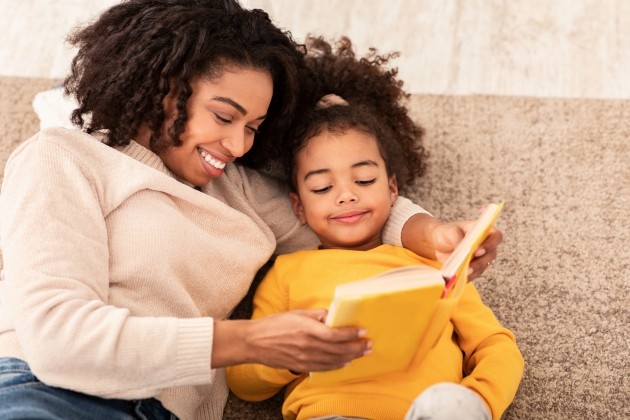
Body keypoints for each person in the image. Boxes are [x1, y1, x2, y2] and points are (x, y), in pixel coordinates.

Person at [0, 2, 502, 419]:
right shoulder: (64, 158)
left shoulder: (242, 191)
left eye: (256, 126)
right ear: (163, 87)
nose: (238, 144)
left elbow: (346, 214)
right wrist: (252, 340)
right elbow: (59, 342)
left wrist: (433, 234)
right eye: (224, 116)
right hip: (44, 392)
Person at [226, 36, 524, 420]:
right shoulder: (288, 273)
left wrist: (479, 399)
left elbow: (495, 345)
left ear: (393, 189)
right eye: (321, 187)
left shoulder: (433, 263)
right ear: (297, 206)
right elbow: (243, 381)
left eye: (364, 181)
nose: (346, 196)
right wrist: (291, 353)